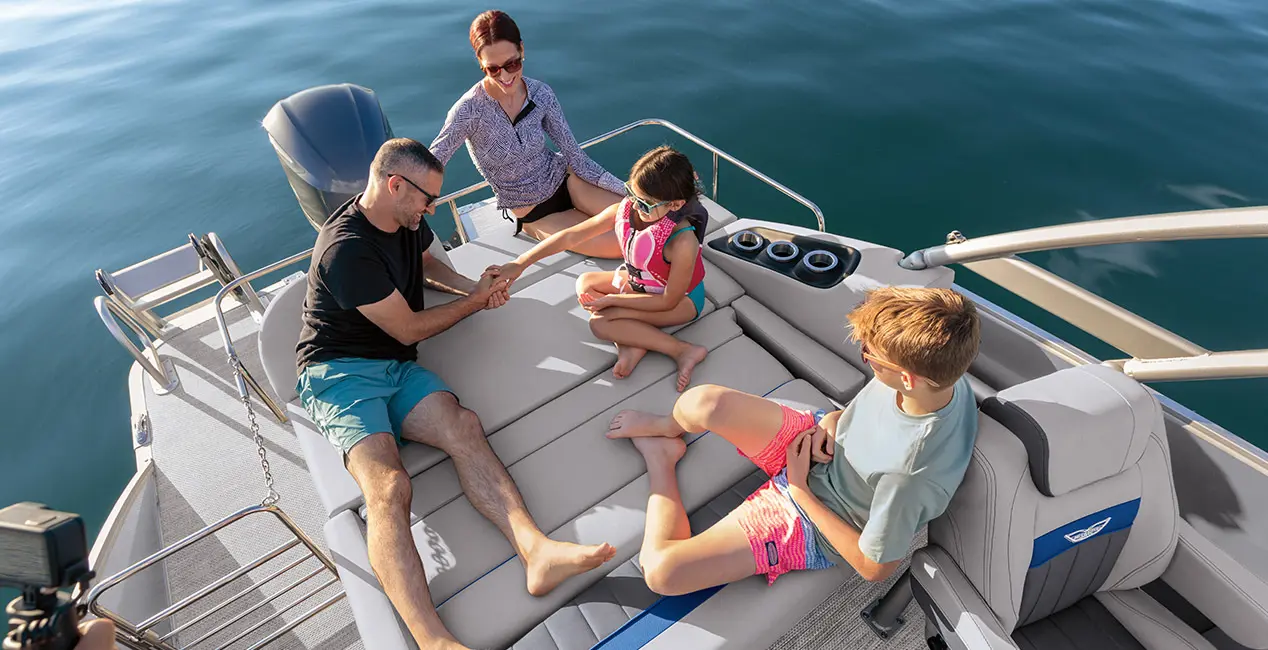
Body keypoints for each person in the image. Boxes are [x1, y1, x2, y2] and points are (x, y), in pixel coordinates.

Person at [295, 138, 615, 649]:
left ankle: (536, 552)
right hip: (339, 374)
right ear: (395, 185)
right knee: (389, 488)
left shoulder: (406, 216)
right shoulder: (345, 251)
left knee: (463, 426)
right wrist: (476, 304)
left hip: (395, 367)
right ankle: (433, 641)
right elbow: (408, 329)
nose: (432, 209)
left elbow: (426, 264)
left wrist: (473, 287)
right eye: (427, 198)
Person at [606, 287, 980, 594]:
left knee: (662, 572)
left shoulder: (909, 475)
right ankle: (670, 428)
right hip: (823, 443)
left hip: (816, 516)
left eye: (869, 355)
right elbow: (876, 414)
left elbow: (875, 567)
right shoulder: (941, 375)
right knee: (701, 402)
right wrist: (835, 420)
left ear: (908, 378)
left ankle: (662, 460)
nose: (864, 355)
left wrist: (799, 490)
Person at [497, 146, 710, 392]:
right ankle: (632, 342)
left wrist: (613, 300)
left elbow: (668, 301)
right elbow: (570, 237)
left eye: (646, 204)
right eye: (631, 193)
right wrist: (520, 263)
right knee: (585, 283)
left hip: (681, 301)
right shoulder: (625, 209)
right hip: (642, 285)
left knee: (599, 323)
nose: (635, 205)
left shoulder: (682, 241)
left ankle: (682, 350)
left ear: (675, 205)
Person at [429, 10, 625, 258]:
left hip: (565, 180)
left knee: (640, 218)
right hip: (532, 211)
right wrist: (422, 196)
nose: (506, 76)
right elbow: (433, 160)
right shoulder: (469, 110)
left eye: (512, 64)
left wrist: (631, 191)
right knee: (621, 245)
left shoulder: (540, 94)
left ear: (522, 50)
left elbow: (577, 158)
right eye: (493, 69)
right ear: (480, 63)